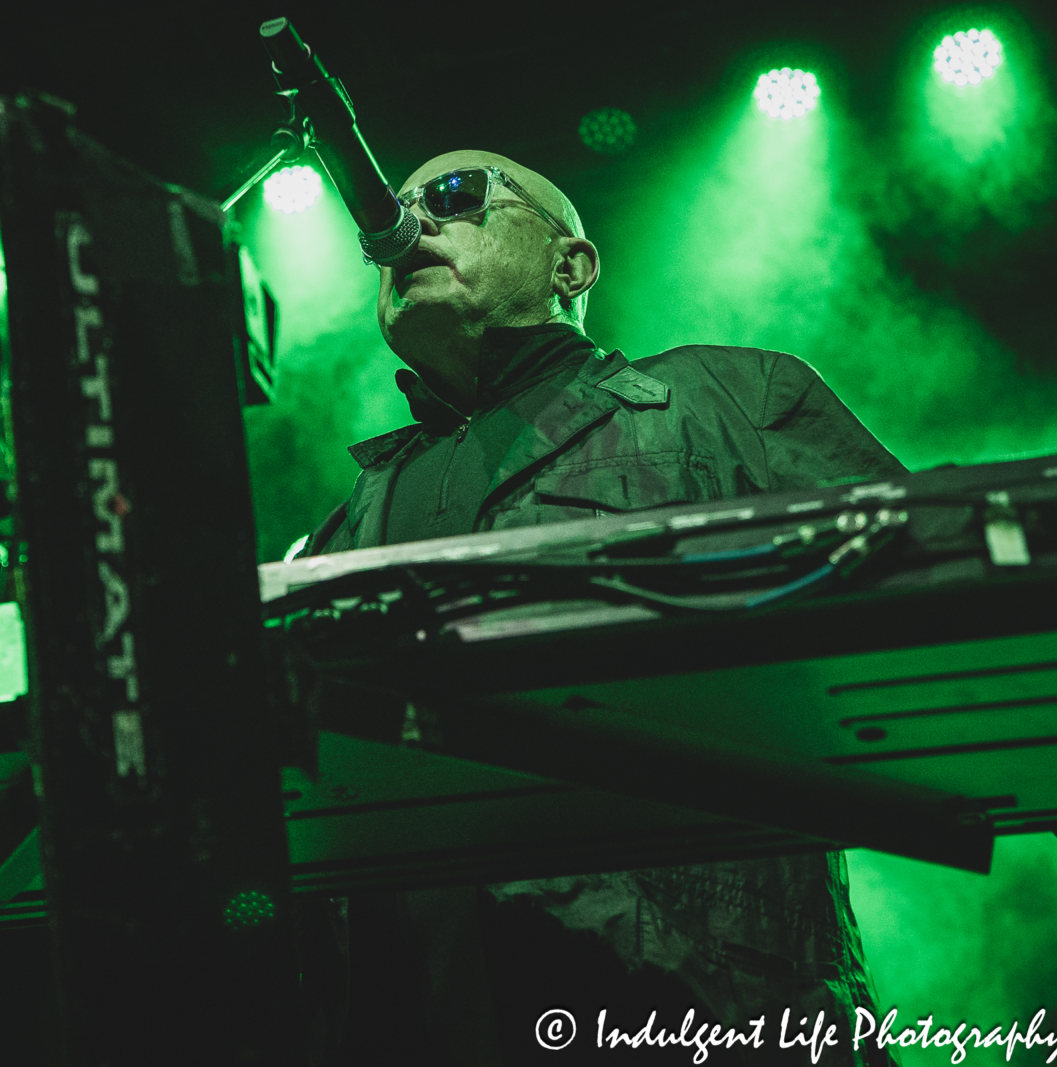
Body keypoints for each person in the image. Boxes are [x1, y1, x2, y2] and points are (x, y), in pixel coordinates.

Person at [295, 150, 902, 1066]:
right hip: (412, 1017)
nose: (407, 221)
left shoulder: (725, 400)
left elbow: (953, 601)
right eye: (394, 206)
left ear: (569, 267)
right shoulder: (345, 521)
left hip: (698, 1003)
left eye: (454, 197)